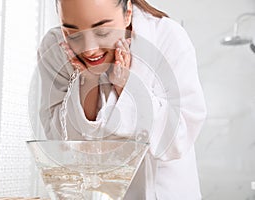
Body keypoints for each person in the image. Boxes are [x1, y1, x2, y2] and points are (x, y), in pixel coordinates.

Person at [36, 0, 207, 199]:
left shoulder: (167, 36)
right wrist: (87, 82)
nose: (89, 50)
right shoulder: (54, 48)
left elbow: (179, 136)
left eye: (101, 31)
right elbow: (61, 145)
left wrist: (125, 85)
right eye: (72, 32)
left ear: (127, 13)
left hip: (163, 191)